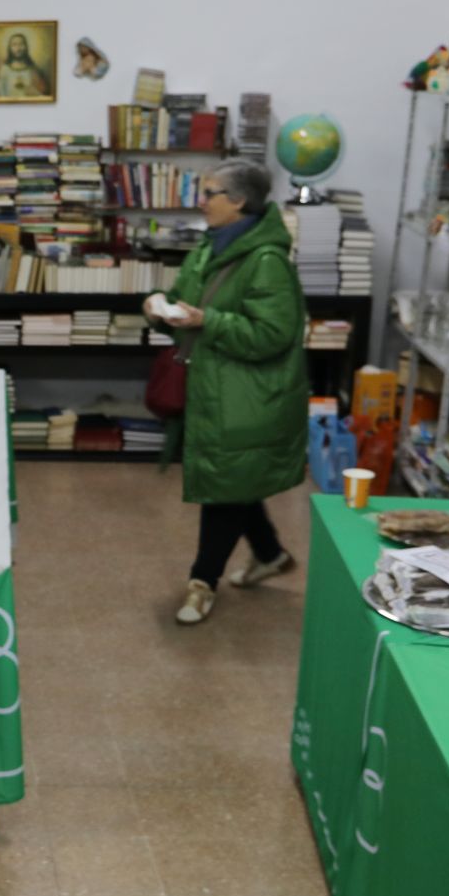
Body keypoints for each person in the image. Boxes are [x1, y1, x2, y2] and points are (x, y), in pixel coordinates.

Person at [149, 160, 308, 625]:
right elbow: (185, 297)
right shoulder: (207, 245)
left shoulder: (267, 260)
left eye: (210, 192)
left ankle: (202, 582)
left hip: (248, 396)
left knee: (225, 486)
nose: (201, 201)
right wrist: (159, 309)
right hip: (214, 387)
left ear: (239, 201)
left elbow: (273, 334)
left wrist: (207, 321)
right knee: (233, 479)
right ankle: (270, 553)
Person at [0, 32, 51, 98]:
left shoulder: (34, 70)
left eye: (21, 44)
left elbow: (46, 95)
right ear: (10, 48)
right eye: (14, 45)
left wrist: (36, 93)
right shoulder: (2, 69)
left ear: (26, 47)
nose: (18, 48)